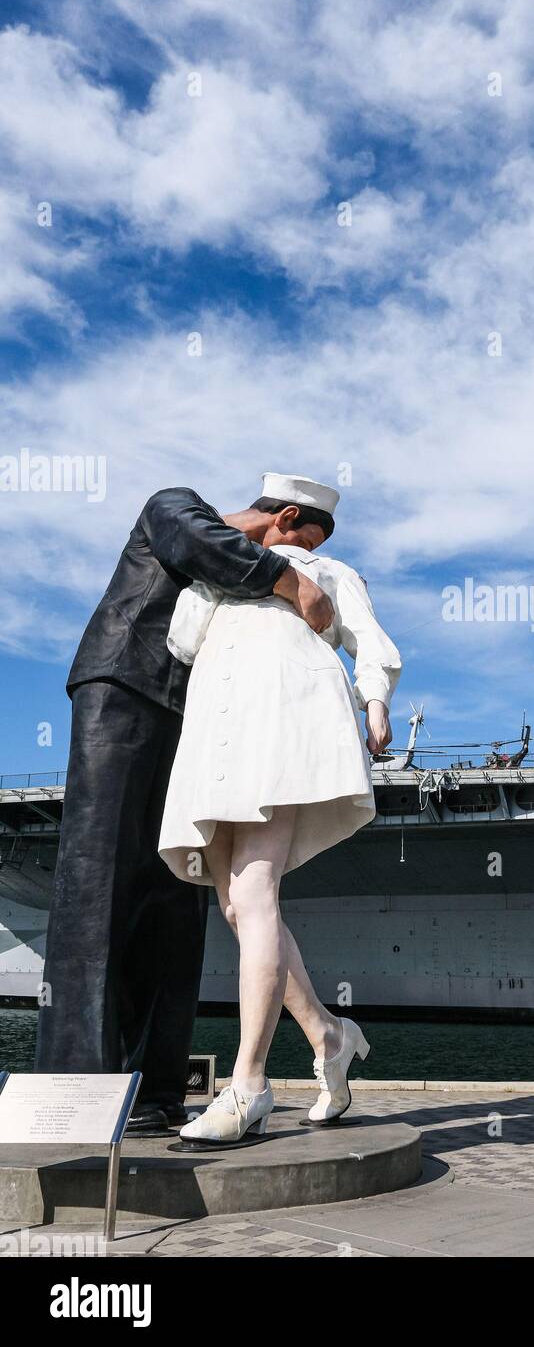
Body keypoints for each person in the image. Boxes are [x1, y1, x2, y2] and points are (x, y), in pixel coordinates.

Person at [35, 481, 334, 1133]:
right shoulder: (175, 506)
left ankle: (152, 1093)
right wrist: (296, 584)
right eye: (301, 543)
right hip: (123, 689)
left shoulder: (244, 586)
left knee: (177, 901)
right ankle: (73, 1090)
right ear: (283, 516)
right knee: (98, 883)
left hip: (193, 720)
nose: (302, 562)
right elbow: (210, 545)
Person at [158, 472, 402, 1144]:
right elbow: (183, 639)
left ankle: (249, 1084)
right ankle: (328, 1034)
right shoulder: (227, 573)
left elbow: (367, 638)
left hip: (284, 718)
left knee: (255, 891)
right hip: (221, 725)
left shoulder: (329, 570)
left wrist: (374, 697)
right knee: (238, 905)